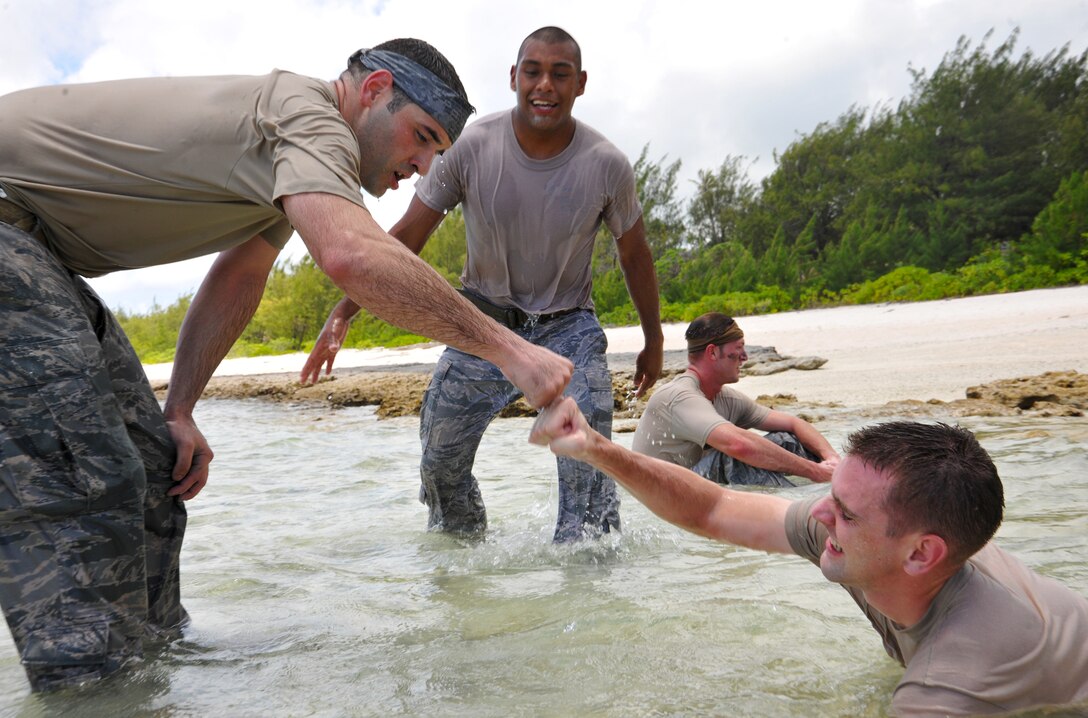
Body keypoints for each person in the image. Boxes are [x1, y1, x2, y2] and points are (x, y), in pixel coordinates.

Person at [0, 39, 577, 692]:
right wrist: (511, 350)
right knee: (85, 481)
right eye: (421, 138)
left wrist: (181, 409)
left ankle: (154, 671)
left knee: (150, 461)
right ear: (374, 90)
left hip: (38, 253)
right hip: (9, 234)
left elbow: (240, 276)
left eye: (436, 154)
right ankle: (90, 696)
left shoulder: (287, 161)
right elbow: (351, 255)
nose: (419, 166)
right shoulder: (307, 114)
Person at [301, 27, 664, 543]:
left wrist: (654, 340)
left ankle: (589, 588)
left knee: (590, 470)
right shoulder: (470, 146)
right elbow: (407, 235)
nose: (545, 85)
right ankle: (463, 566)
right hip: (482, 328)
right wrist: (344, 311)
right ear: (513, 77)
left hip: (570, 331)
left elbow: (635, 255)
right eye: (533, 71)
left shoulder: (606, 165)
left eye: (560, 74)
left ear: (580, 84)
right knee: (439, 462)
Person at [531, 399, 1088, 715]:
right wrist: (598, 448)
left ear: (922, 554)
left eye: (846, 512)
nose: (821, 517)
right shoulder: (880, 549)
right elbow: (716, 508)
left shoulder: (951, 679)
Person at [632, 312, 839, 486]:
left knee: (785, 440)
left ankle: (832, 490)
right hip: (666, 496)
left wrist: (832, 459)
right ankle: (800, 513)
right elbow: (738, 445)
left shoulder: (727, 398)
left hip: (696, 489)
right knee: (736, 457)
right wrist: (814, 471)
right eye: (738, 348)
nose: (745, 357)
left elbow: (794, 423)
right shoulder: (680, 396)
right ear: (712, 352)